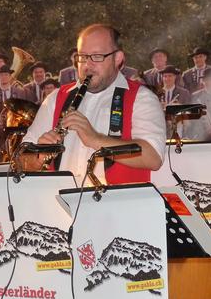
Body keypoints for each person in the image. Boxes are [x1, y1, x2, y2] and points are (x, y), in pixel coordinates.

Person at [22, 23, 166, 184]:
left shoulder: (142, 98)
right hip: (60, 199)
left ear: (118, 58)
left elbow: (153, 157)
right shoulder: (56, 98)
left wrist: (95, 139)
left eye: (97, 56)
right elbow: (21, 161)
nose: (87, 65)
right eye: (82, 57)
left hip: (117, 200)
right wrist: (39, 156)